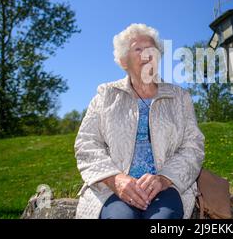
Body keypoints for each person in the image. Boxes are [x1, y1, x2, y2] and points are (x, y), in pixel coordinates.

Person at [74, 23, 205, 219]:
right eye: (138, 49)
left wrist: (164, 179)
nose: (147, 54)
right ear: (123, 60)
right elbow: (86, 143)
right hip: (113, 189)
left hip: (165, 187)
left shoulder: (179, 97)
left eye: (151, 49)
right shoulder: (106, 95)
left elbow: (193, 145)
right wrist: (115, 179)